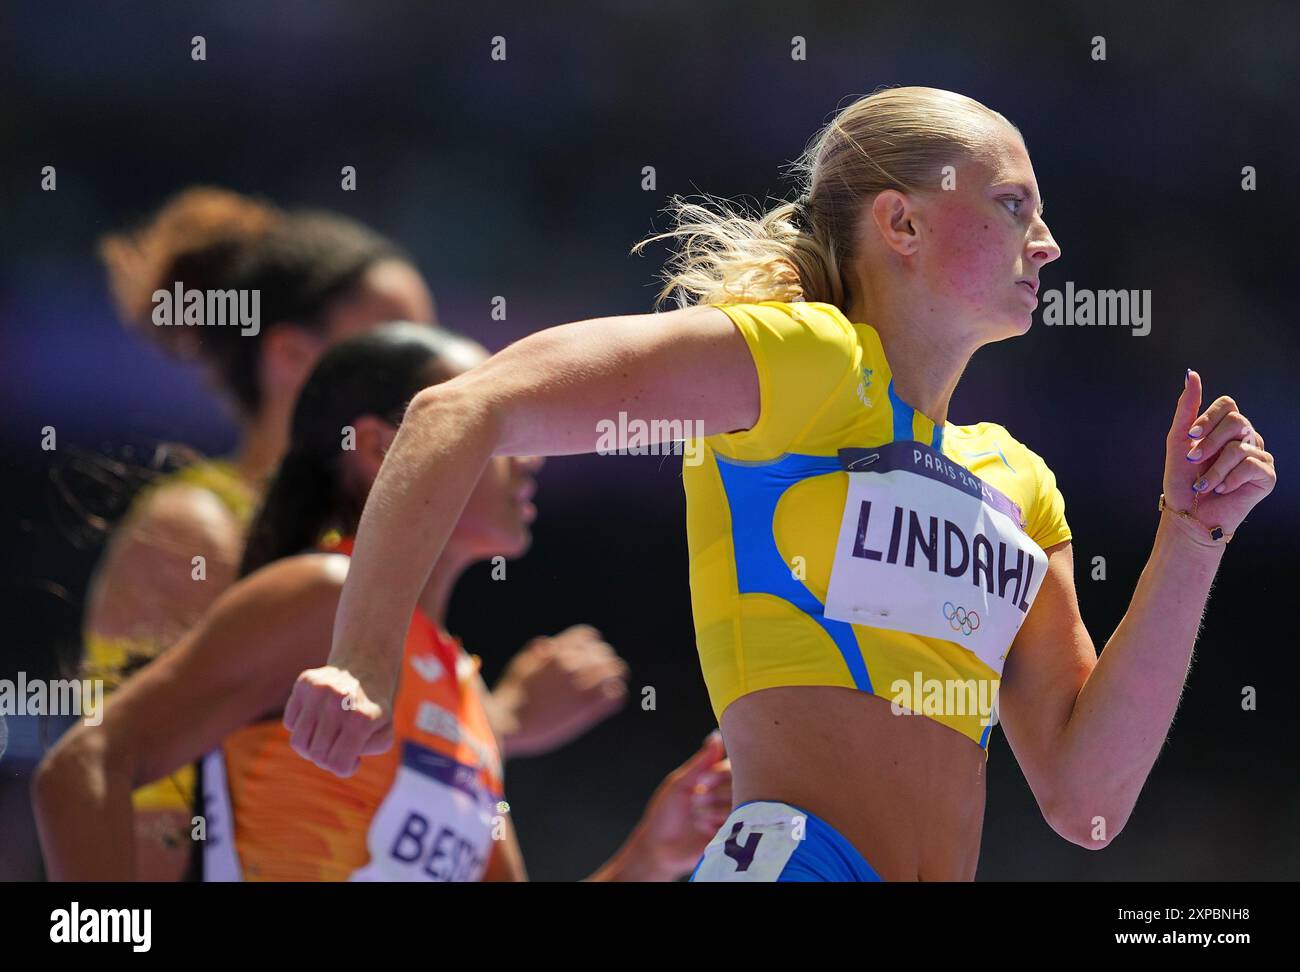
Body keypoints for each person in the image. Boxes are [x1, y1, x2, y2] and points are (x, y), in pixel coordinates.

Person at [280, 86, 1277, 882]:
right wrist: (361, 660)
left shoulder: (1014, 481)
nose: (1048, 242)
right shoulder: (803, 362)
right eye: (1013, 205)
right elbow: (458, 410)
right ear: (903, 223)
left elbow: (1086, 804)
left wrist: (1190, 538)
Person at [34, 324, 729, 881]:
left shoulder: (459, 683)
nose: (533, 456)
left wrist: (651, 854)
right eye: (495, 428)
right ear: (377, 447)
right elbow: (82, 765)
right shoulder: (318, 597)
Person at [84, 188, 627, 878]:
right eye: (395, 332)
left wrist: (494, 727)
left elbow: (329, 756)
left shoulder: (375, 573)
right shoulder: (200, 527)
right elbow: (150, 784)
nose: (437, 386)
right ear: (289, 356)